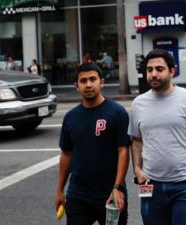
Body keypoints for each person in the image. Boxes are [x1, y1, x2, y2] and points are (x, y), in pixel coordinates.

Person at [128, 49, 186, 225]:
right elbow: (137, 141)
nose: (153, 74)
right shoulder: (138, 104)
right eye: (149, 69)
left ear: (172, 71)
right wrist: (137, 169)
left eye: (159, 69)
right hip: (150, 185)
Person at [55, 62, 131, 225]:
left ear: (101, 82)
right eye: (83, 81)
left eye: (92, 79)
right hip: (78, 195)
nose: (88, 84)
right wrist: (60, 191)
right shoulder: (70, 117)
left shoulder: (117, 113)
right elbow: (66, 154)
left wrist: (117, 188)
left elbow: (123, 151)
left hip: (111, 195)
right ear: (76, 86)